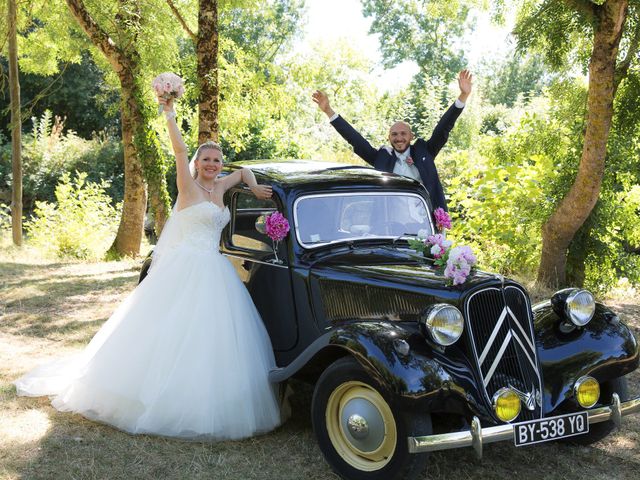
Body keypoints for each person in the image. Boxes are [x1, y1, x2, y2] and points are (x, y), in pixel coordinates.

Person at [14, 95, 283, 440]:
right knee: (169, 331)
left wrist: (252, 184)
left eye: (217, 160)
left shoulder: (221, 185)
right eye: (207, 160)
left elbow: (244, 171)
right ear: (198, 163)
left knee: (212, 337)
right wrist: (169, 113)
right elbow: (179, 153)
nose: (213, 165)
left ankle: (204, 394)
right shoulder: (189, 188)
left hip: (214, 271)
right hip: (186, 267)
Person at [312, 70, 473, 211]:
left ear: (411, 136)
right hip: (393, 224)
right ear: (389, 138)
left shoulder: (425, 150)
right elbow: (355, 139)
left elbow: (443, 128)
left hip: (427, 220)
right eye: (394, 134)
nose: (399, 138)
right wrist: (328, 111)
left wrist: (463, 96)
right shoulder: (382, 156)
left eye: (403, 134)